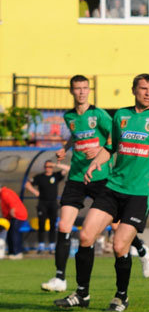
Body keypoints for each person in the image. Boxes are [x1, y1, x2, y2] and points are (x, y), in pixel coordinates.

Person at [54, 73, 149, 312]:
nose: (148, 93)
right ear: (133, 90)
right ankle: (82, 293)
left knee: (120, 247)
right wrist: (95, 163)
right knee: (85, 236)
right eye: (143, 88)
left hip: (139, 193)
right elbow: (110, 147)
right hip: (113, 187)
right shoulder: (120, 116)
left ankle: (121, 296)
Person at [41, 75, 115, 292]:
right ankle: (60, 278)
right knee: (63, 226)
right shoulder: (69, 116)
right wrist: (66, 148)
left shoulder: (99, 114)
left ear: (88, 90)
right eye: (77, 88)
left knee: (118, 224)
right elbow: (75, 135)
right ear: (71, 91)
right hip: (76, 177)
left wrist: (102, 151)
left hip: (99, 176)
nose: (82, 92)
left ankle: (141, 250)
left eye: (85, 88)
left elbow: (115, 137)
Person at [25, 160, 69, 253]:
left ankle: (52, 246)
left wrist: (55, 164)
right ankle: (41, 246)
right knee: (42, 224)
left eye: (49, 167)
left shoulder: (56, 176)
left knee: (53, 225)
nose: (47, 168)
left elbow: (68, 168)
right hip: (42, 203)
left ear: (52, 167)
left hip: (53, 203)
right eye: (46, 167)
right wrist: (35, 192)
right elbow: (27, 184)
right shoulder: (40, 177)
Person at [1, 184, 28, 259]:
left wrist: (13, 215)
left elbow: (12, 204)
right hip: (13, 216)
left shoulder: (5, 192)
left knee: (14, 233)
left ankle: (17, 253)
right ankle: (11, 252)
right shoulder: (3, 193)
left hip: (17, 216)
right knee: (10, 233)